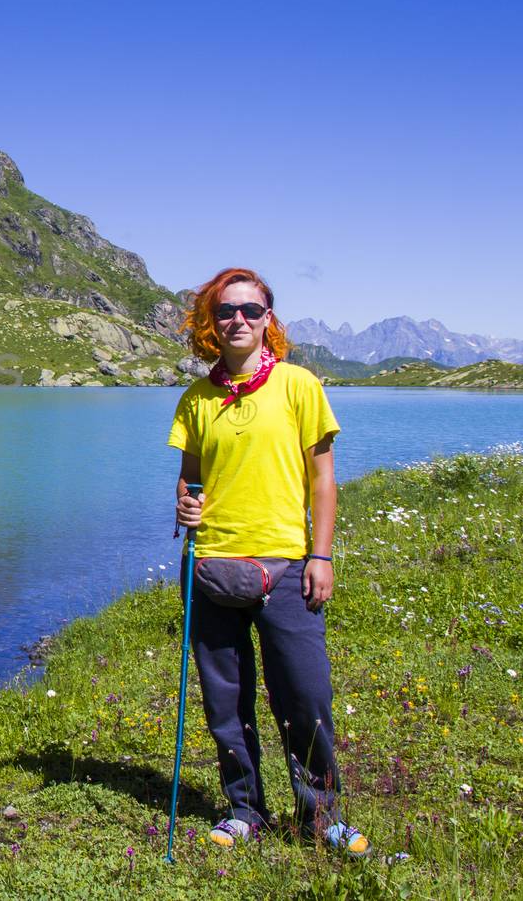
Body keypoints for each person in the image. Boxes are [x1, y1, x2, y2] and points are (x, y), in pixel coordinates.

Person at [167, 266, 370, 856]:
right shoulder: (196, 398)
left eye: (251, 311)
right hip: (210, 566)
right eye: (226, 311)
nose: (238, 320)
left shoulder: (299, 386)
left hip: (286, 564)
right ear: (212, 321)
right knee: (224, 699)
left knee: (304, 694)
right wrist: (184, 507)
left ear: (268, 321)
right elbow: (190, 481)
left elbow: (323, 478)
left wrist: (321, 553)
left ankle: (321, 816)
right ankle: (245, 809)